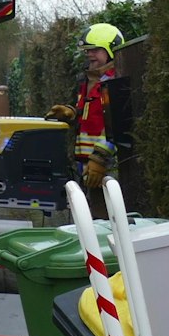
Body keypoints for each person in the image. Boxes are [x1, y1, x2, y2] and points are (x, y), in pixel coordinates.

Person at [48, 22, 131, 204]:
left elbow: (121, 128)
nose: (89, 54)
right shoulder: (89, 81)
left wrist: (100, 160)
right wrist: (70, 114)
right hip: (86, 168)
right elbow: (90, 117)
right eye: (87, 50)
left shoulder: (116, 82)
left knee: (109, 222)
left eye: (95, 50)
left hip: (108, 170)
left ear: (111, 50)